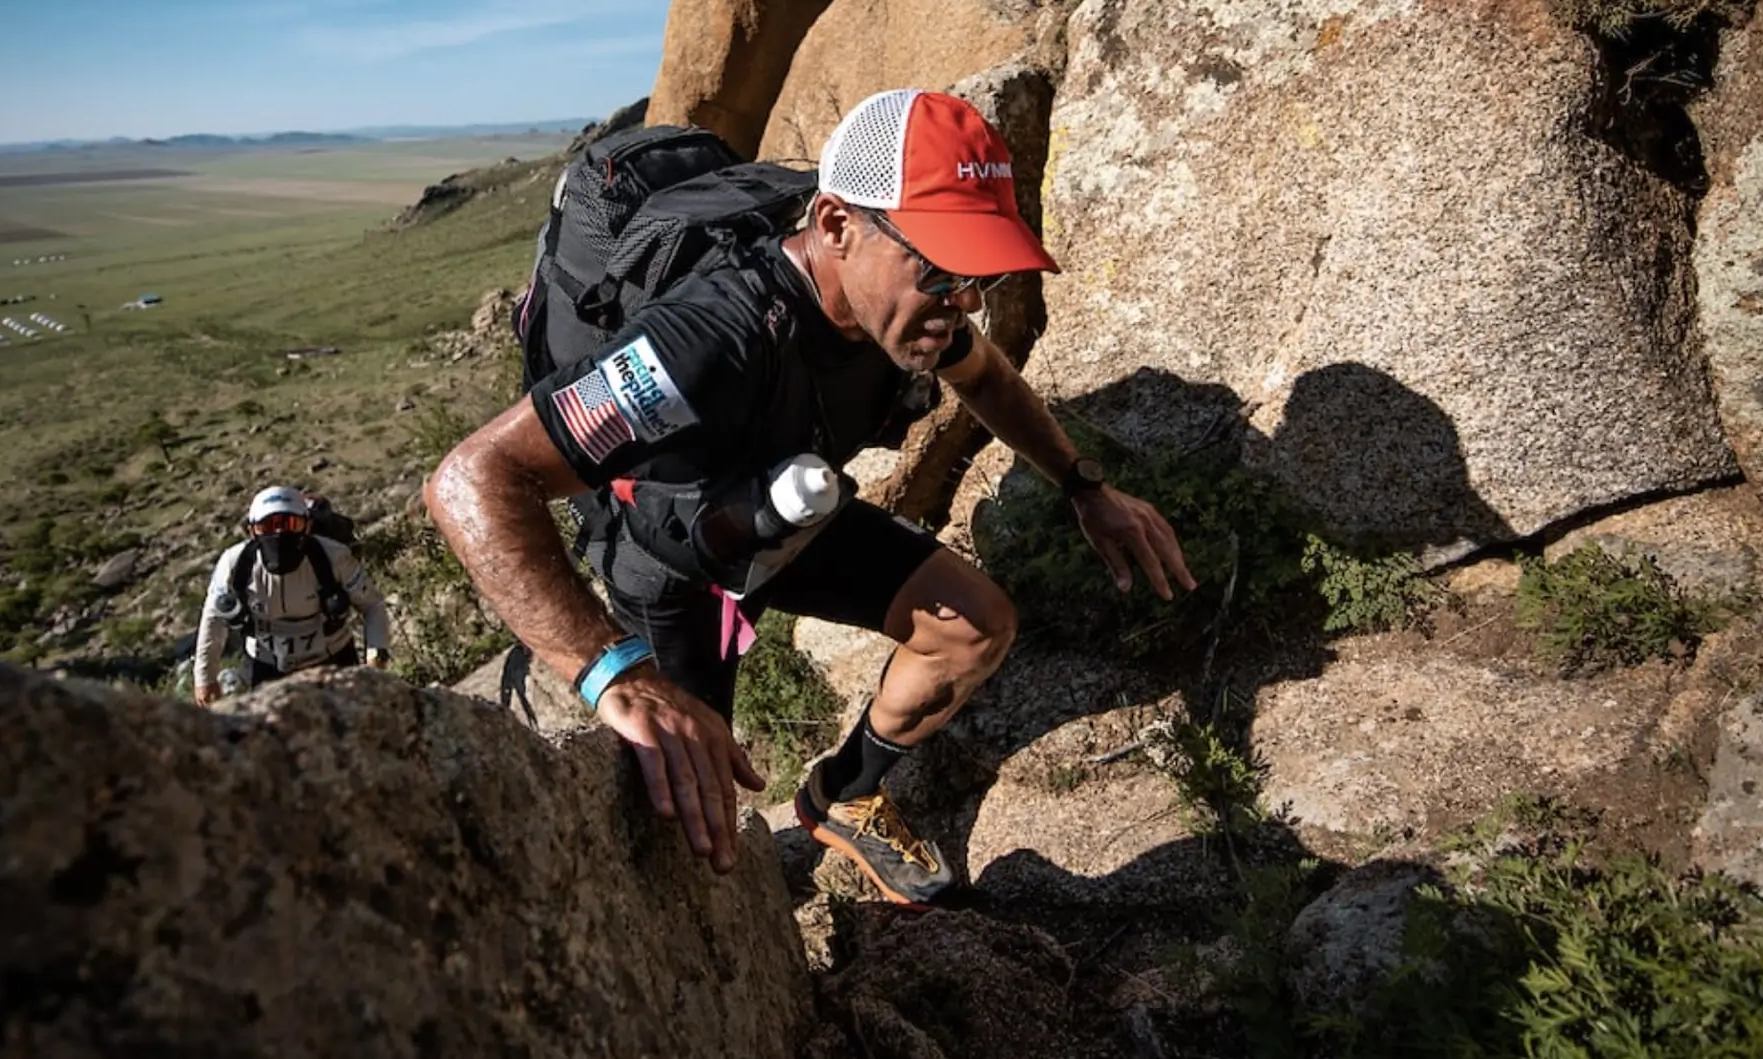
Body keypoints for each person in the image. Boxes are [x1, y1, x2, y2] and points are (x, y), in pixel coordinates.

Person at [426, 89, 1195, 905]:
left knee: (972, 627)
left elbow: (985, 376)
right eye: (940, 268)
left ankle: (841, 793)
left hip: (780, 509)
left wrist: (1084, 487)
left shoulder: (899, 310)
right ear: (835, 226)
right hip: (671, 549)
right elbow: (472, 478)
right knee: (691, 805)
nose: (963, 299)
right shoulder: (705, 340)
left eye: (979, 274)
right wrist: (615, 671)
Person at [193, 485, 390, 705]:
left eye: (290, 524)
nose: (279, 534)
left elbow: (372, 605)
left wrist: (376, 660)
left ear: (307, 527)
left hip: (333, 658)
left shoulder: (334, 557)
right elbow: (214, 617)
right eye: (268, 526)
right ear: (252, 531)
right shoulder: (234, 564)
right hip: (264, 665)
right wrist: (205, 678)